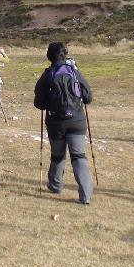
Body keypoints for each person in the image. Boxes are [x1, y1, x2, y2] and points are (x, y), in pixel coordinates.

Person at [33, 42, 94, 205]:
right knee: (79, 156)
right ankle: (86, 194)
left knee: (58, 155)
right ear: (65, 54)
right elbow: (88, 96)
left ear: (49, 56)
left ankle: (55, 185)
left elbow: (39, 103)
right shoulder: (74, 72)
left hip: (56, 122)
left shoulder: (47, 76)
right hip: (77, 120)